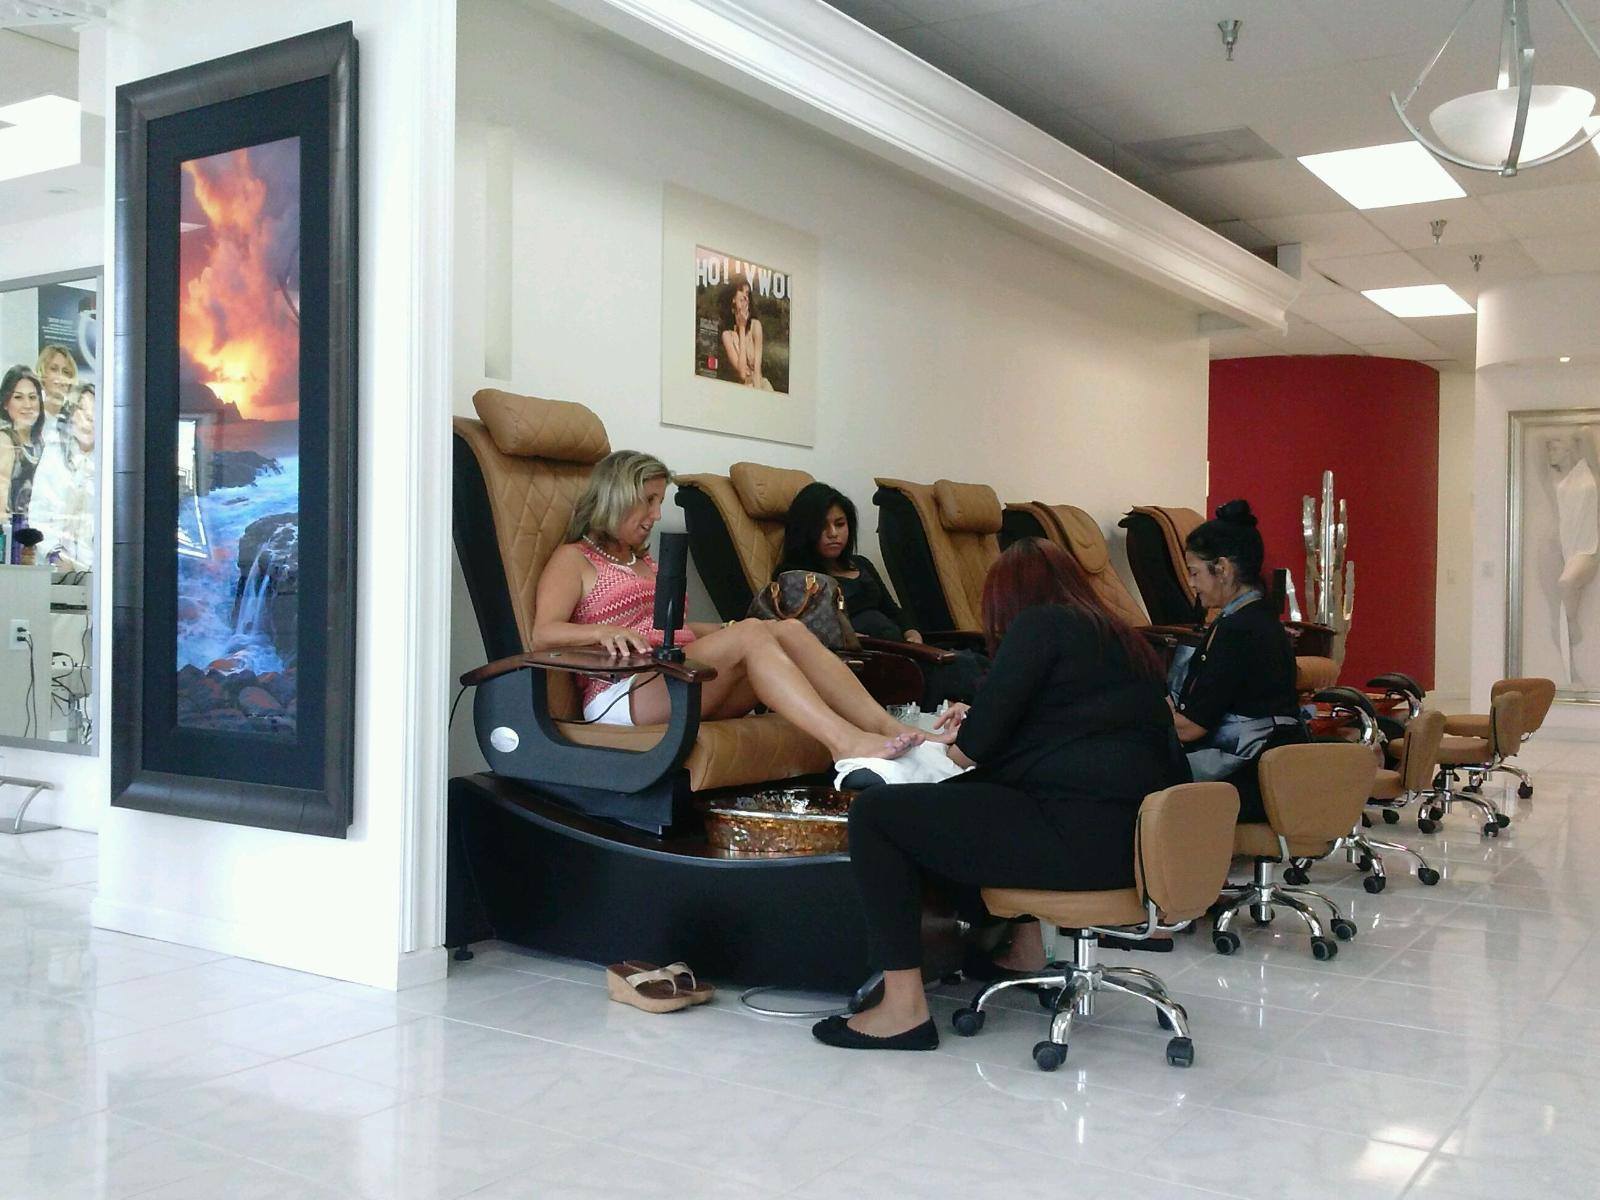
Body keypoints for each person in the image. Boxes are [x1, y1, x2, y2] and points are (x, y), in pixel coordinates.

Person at [813, 538, 1189, 1052]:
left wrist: (959, 731)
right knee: (1001, 797)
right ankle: (1023, 954)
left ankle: (902, 1009)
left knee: (878, 813)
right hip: (1137, 846)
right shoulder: (1123, 641)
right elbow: (1068, 733)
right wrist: (985, 716)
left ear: (1006, 600)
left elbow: (970, 752)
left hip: (1079, 845)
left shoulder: (1040, 624)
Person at [532, 450, 925, 763]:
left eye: (659, 502)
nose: (656, 515)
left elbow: (674, 628)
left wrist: (729, 629)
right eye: (649, 501)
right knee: (754, 633)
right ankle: (844, 742)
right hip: (622, 693)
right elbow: (542, 633)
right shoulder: (575, 558)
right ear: (617, 496)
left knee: (787, 629)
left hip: (677, 674)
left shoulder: (646, 561)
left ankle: (886, 727)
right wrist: (602, 631)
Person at [775, 481, 987, 706]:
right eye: (822, 527)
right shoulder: (796, 577)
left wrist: (911, 631)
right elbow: (804, 634)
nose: (833, 533)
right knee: (962, 671)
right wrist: (848, 638)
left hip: (903, 650)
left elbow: (892, 609)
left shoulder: (861, 564)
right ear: (805, 531)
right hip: (867, 663)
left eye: (840, 524)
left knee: (977, 660)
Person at [1169, 499, 1305, 822]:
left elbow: (1190, 728)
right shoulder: (1259, 617)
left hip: (1246, 777)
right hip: (1275, 770)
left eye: (1194, 573)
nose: (1191, 584)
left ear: (1223, 568)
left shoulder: (1237, 630)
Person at [1543, 430, 1598, 678]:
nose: (1550, 453)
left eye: (1555, 448)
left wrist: (1572, 433)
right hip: (1564, 547)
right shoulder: (1556, 479)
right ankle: (1570, 673)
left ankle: (1572, 621)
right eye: (1550, 449)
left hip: (1586, 548)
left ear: (1568, 450)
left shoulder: (1588, 471)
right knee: (1555, 612)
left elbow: (1585, 434)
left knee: (1566, 583)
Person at [30, 382, 96, 570]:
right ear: (71, 414)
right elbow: (39, 514)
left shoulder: (112, 463)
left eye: (94, 411)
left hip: (96, 568)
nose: (89, 418)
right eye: (81, 409)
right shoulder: (54, 454)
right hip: (54, 565)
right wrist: (55, 555)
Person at [0, 365, 47, 523]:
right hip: (15, 533)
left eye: (32, 397)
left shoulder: (41, 443)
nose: (27, 405)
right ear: (6, 403)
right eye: (18, 397)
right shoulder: (5, 441)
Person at [717, 273, 771, 391]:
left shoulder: (756, 326)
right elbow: (742, 374)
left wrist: (758, 396)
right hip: (741, 389)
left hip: (759, 386)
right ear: (733, 299)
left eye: (747, 293)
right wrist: (741, 327)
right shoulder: (727, 335)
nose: (745, 296)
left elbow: (757, 370)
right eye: (741, 291)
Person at [35, 345, 77, 423]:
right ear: (43, 374)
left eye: (66, 372)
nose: (60, 376)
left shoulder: (75, 421)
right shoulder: (31, 417)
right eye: (54, 369)